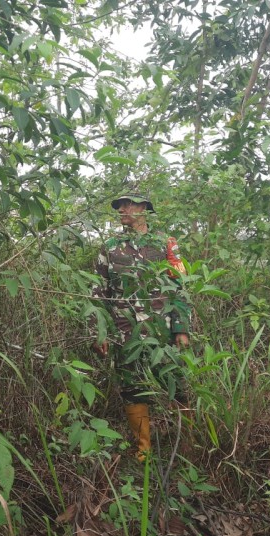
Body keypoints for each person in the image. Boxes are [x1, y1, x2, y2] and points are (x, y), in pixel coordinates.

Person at [91, 192, 191, 461]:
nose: (122, 209)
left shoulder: (165, 244)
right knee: (131, 387)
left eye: (128, 204)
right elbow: (99, 292)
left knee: (178, 384)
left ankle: (190, 442)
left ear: (144, 207)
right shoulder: (109, 247)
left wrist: (181, 328)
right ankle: (143, 448)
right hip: (125, 331)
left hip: (162, 329)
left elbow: (179, 287)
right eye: (119, 206)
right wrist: (99, 331)